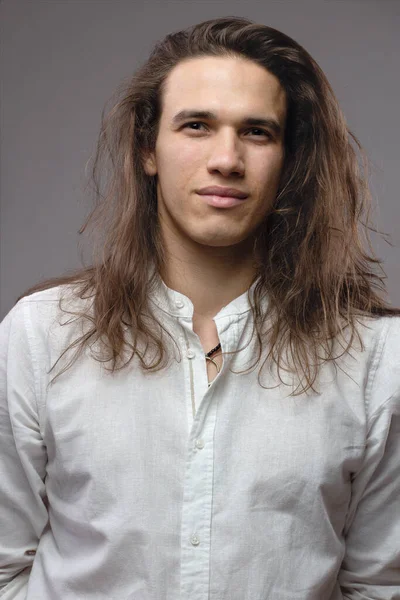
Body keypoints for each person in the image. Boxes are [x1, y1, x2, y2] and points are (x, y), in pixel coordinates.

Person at [0, 15, 399, 600]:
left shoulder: (374, 358)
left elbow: (378, 586)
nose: (226, 159)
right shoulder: (43, 334)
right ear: (148, 149)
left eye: (257, 132)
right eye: (196, 126)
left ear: (289, 159)